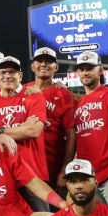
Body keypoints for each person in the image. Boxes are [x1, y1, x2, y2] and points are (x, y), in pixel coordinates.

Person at [63, 52, 108, 215]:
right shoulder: (79, 103)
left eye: (90, 68)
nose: (85, 73)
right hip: (89, 176)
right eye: (82, 69)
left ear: (100, 70)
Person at [0, 55, 47, 176]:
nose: (7, 76)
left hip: (32, 171)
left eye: (12, 72)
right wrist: (22, 128)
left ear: (20, 76)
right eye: (3, 73)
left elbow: (33, 131)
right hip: (2, 171)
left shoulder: (34, 95)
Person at [24, 46, 77, 184]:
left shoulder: (66, 96)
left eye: (48, 61)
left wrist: (65, 169)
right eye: (40, 61)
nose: (43, 64)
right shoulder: (22, 91)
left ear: (56, 67)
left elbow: (71, 136)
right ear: (32, 66)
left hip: (53, 167)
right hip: (26, 167)